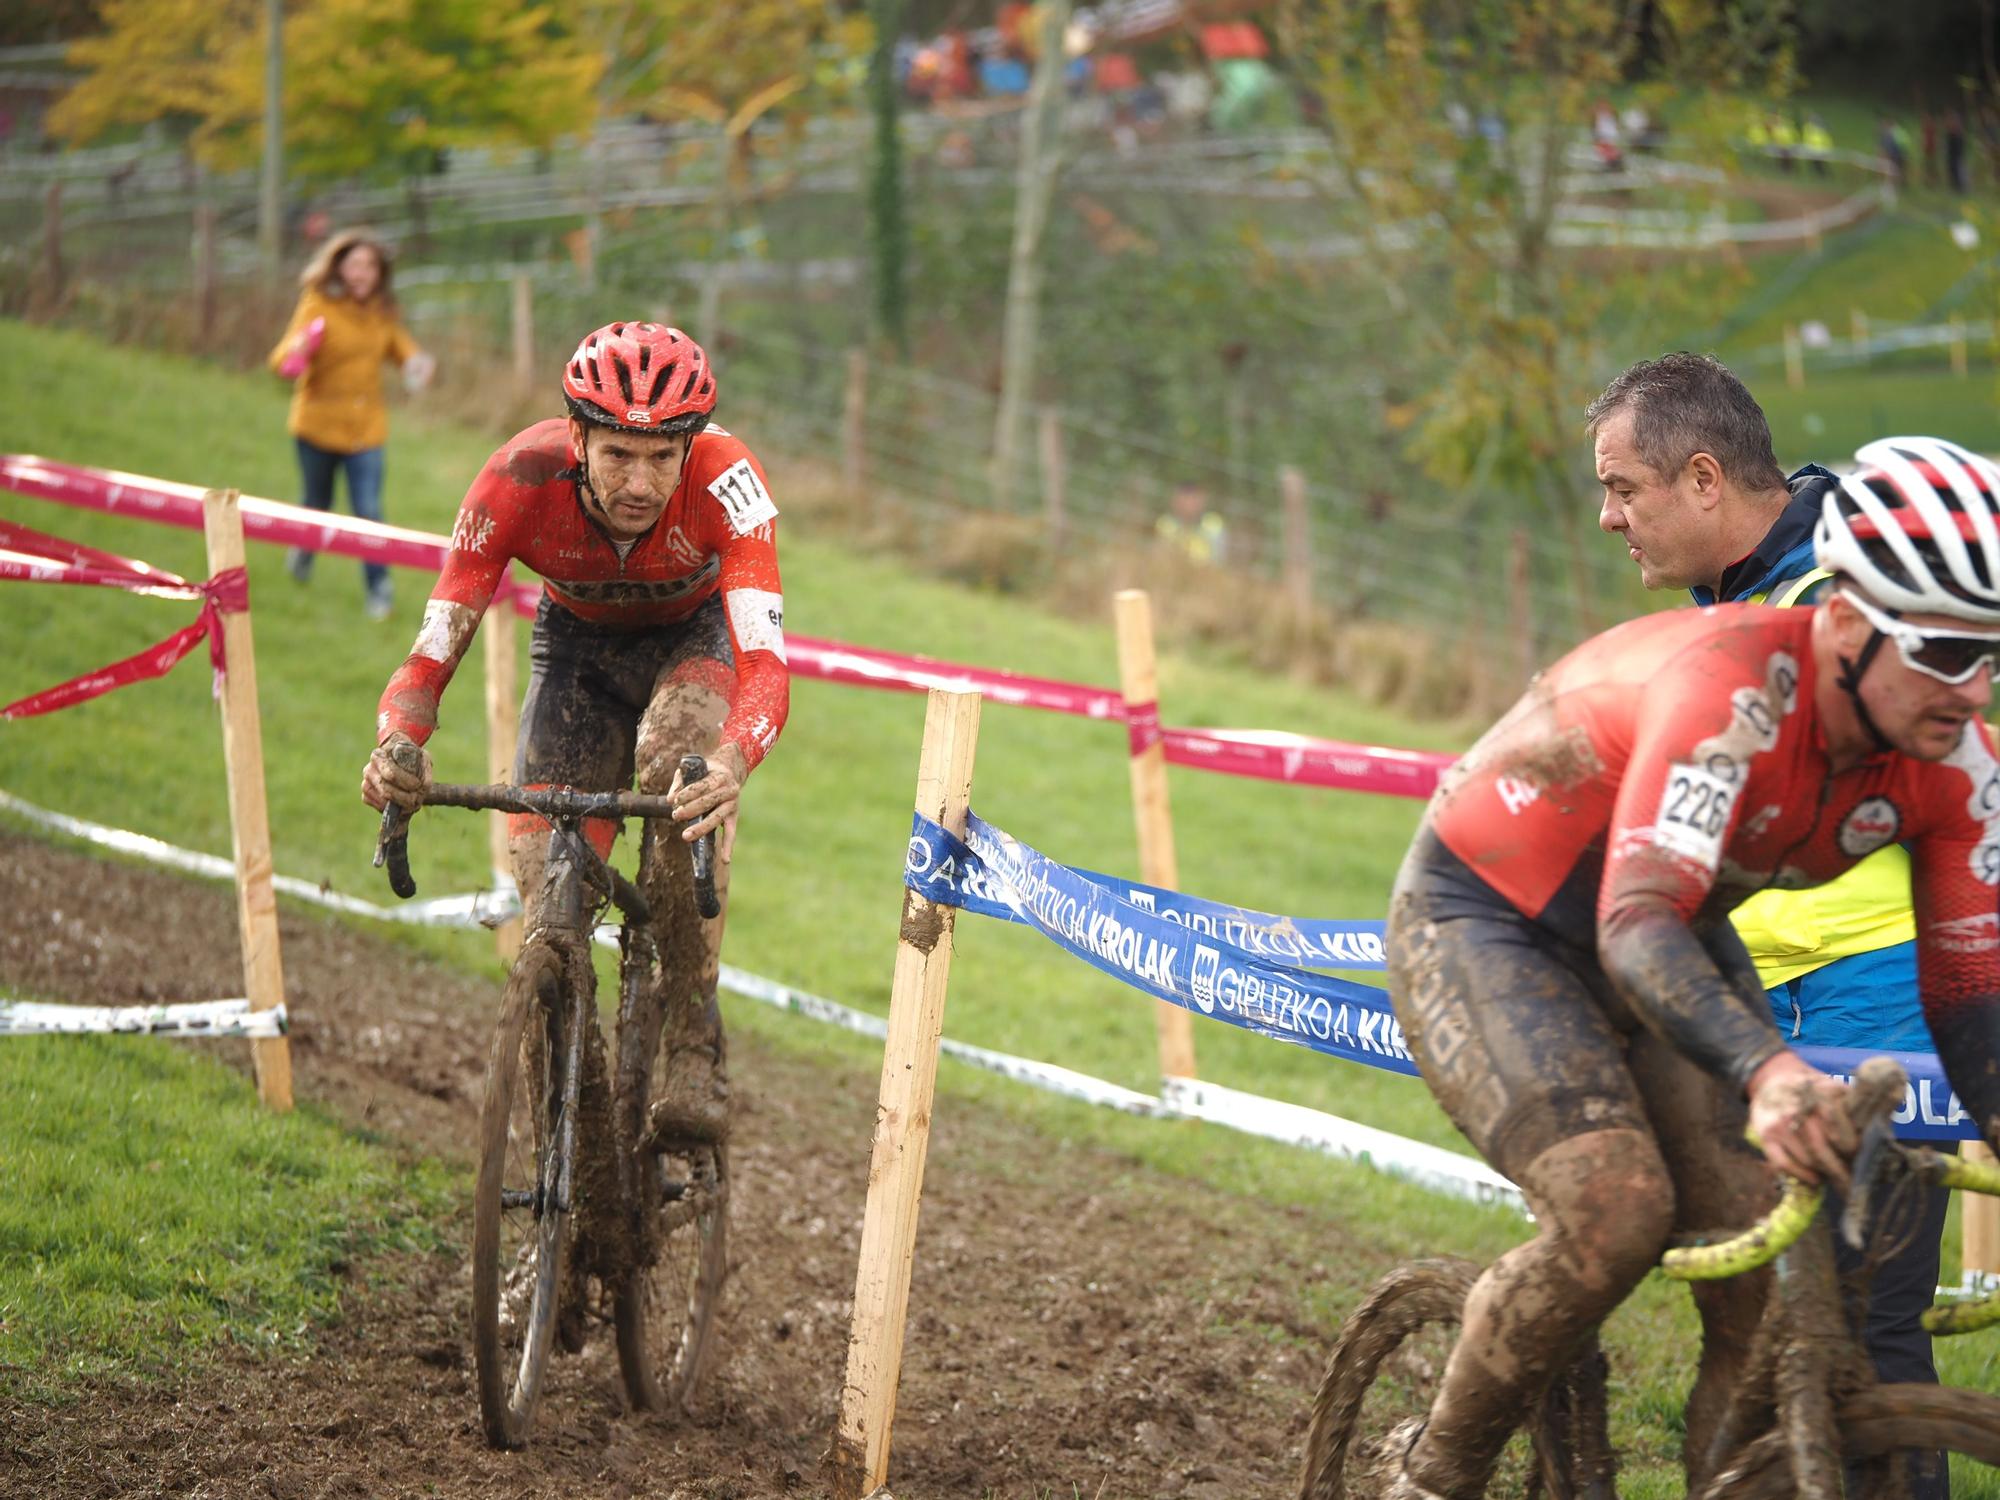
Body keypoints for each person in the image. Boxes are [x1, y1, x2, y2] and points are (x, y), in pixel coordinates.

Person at [1380, 434, 2000, 1500]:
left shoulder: (1955, 764)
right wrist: (1766, 1073)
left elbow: (1970, 995)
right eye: (1947, 655)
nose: (1977, 689)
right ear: (1843, 625)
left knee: (1764, 1288)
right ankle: (1428, 1476)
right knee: (1613, 1206)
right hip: (1489, 914)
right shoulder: (1728, 691)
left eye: (1997, 654)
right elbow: (1631, 926)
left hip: (1667, 916)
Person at [1589, 353, 1953, 1498]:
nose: (1607, 520)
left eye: (1622, 490)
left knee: (1869, 1312)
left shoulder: (1870, 589)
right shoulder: (1728, 608)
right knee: (1767, 1320)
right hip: (1753, 1001)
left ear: (1703, 480)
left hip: (1881, 989)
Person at [359, 322, 789, 1142]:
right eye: (619, 454)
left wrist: (731, 759)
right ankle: (566, 1169)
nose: (641, 481)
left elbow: (766, 667)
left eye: (663, 457)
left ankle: (694, 1036)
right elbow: (430, 656)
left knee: (677, 770)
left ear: (690, 448)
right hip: (578, 654)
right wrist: (396, 746)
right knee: (546, 884)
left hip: (693, 644)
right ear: (578, 436)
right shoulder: (516, 477)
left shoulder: (732, 482)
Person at [268, 229, 434, 620]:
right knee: (316, 503)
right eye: (355, 264)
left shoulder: (382, 312)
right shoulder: (317, 305)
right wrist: (299, 351)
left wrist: (417, 364)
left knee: (369, 511)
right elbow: (282, 360)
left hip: (366, 432)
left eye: (370, 266)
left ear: (379, 274)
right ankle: (303, 555)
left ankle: (380, 590)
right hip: (317, 425)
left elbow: (402, 349)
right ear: (339, 267)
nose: (362, 273)